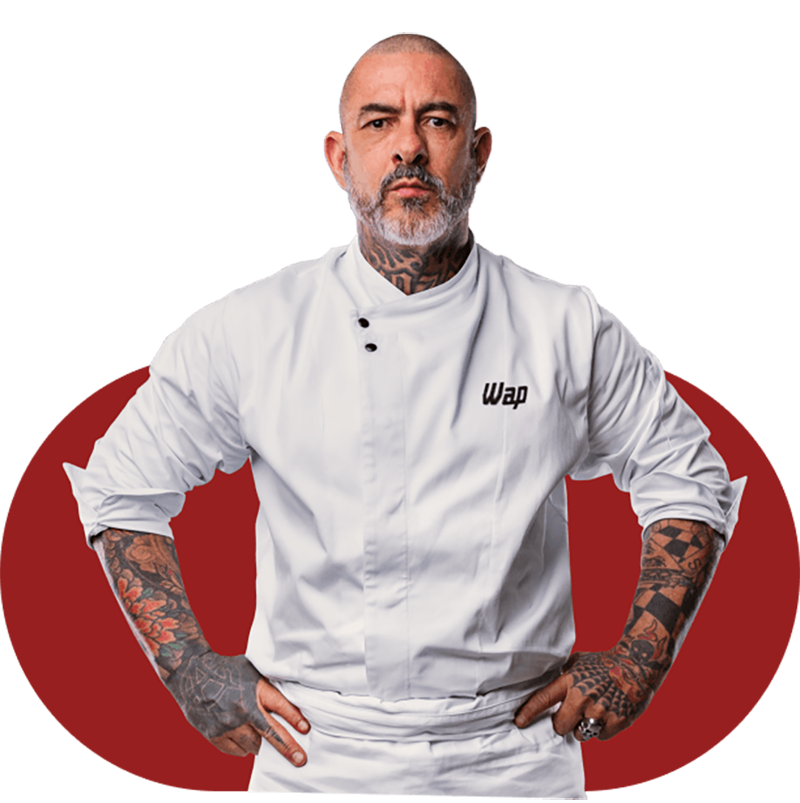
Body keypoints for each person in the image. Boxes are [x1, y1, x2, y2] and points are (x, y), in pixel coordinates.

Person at [65, 34, 745, 799]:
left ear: (479, 152)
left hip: (514, 755)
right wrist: (188, 665)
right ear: (339, 155)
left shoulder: (564, 327)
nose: (409, 148)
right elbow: (122, 486)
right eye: (379, 121)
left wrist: (638, 659)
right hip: (316, 755)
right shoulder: (251, 328)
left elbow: (687, 477)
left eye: (439, 121)